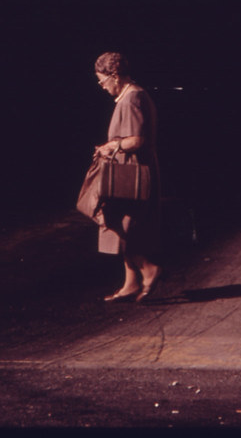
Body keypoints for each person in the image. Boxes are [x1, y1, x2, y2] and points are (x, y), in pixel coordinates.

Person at [93, 51, 162, 302]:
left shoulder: (132, 99)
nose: (101, 87)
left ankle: (149, 269)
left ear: (114, 75)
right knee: (122, 222)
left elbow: (137, 140)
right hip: (129, 170)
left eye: (102, 81)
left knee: (124, 226)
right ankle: (131, 283)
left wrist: (110, 147)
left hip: (132, 174)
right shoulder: (129, 96)